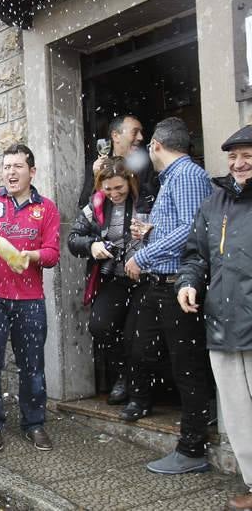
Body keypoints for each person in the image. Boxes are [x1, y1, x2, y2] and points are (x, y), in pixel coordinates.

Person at [121, 117, 213, 475]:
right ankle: (150, 403)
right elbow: (180, 225)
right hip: (161, 284)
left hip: (179, 284)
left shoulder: (187, 175)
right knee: (141, 346)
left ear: (156, 146)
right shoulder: (174, 179)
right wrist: (151, 232)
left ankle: (193, 448)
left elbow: (193, 229)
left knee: (188, 367)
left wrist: (141, 255)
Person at [0, 144, 61, 454]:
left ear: (31, 171)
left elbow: (52, 254)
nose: (11, 172)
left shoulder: (45, 208)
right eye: (7, 166)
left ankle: (34, 423)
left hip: (30, 299)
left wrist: (29, 255)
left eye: (18, 166)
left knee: (32, 366)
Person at [177, 125, 252, 508]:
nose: (239, 164)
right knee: (238, 416)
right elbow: (195, 255)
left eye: (248, 157)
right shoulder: (213, 204)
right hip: (222, 323)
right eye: (233, 157)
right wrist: (187, 283)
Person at [67, 158, 147, 405]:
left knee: (140, 337)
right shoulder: (96, 204)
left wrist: (146, 243)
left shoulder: (147, 201)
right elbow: (73, 239)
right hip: (114, 278)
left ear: (130, 182)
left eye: (119, 188)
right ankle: (123, 375)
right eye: (108, 189)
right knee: (100, 326)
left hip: (146, 280)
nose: (113, 194)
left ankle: (140, 390)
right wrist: (93, 245)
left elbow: (165, 233)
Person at [79, 114, 158, 210]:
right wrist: (95, 176)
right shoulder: (97, 165)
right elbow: (83, 204)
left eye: (140, 132)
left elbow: (153, 200)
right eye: (135, 132)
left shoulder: (148, 163)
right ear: (115, 136)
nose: (140, 137)